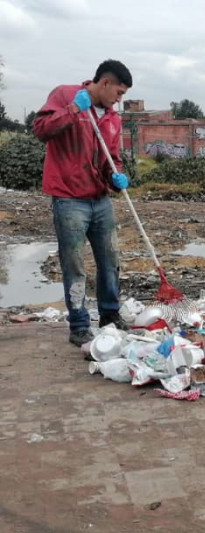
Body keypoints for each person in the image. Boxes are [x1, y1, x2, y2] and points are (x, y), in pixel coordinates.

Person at [33, 60, 134, 346]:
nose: (119, 99)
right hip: (69, 199)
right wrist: (73, 110)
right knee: (75, 264)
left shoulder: (113, 118)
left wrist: (116, 174)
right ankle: (78, 324)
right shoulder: (66, 96)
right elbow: (40, 130)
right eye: (119, 92)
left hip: (100, 199)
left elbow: (110, 156)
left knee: (110, 259)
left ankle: (110, 315)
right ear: (104, 83)